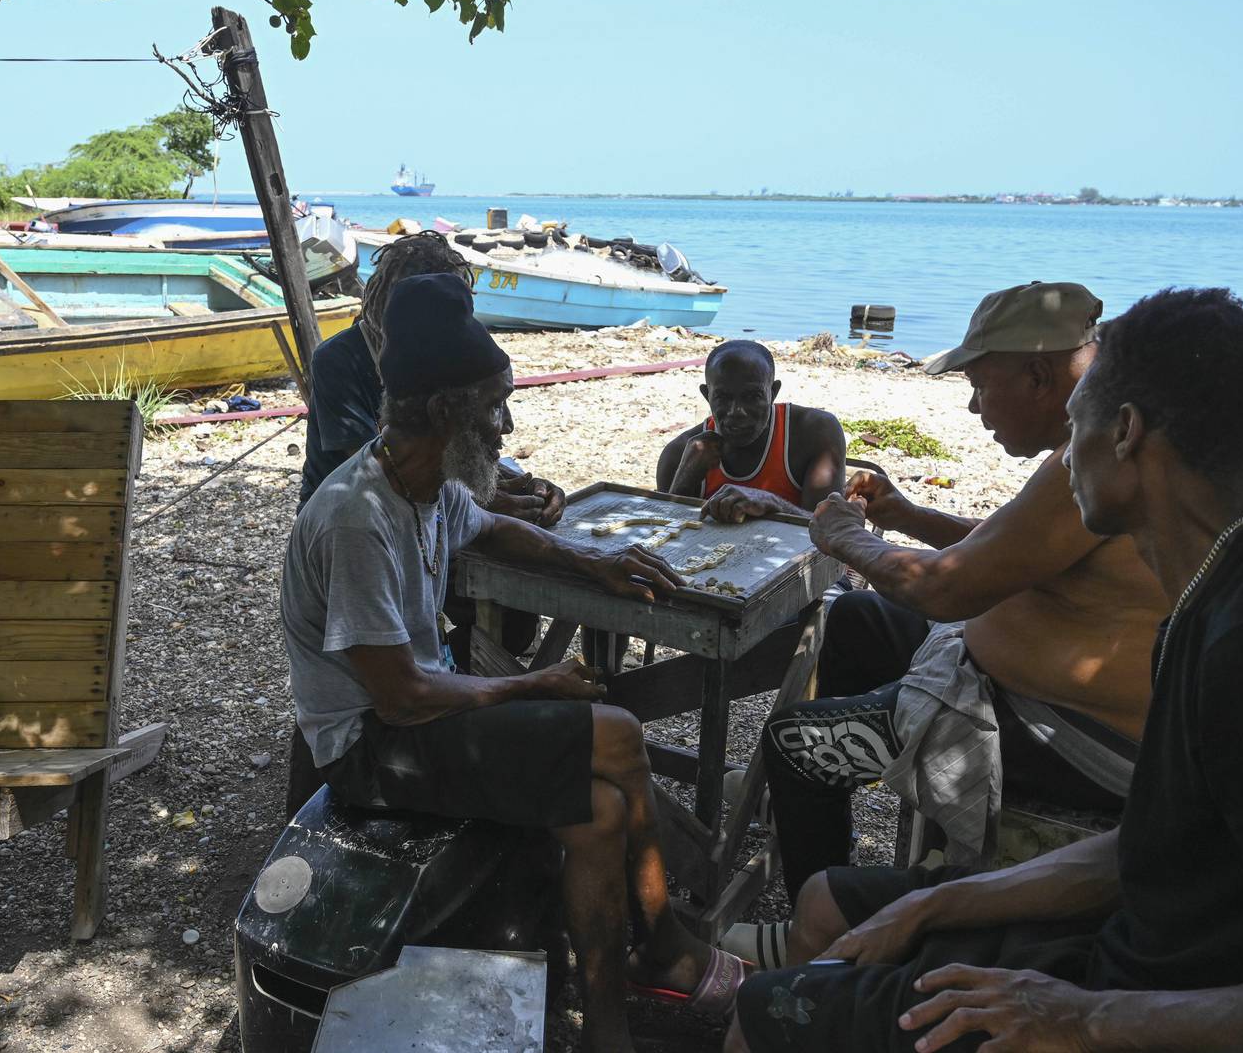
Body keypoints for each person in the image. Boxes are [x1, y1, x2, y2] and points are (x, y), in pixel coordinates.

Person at [725, 285, 1243, 1053]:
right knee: (824, 916)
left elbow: (949, 584)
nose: (1069, 444)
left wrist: (1083, 1018)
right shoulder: (1214, 587)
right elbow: (1150, 849)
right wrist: (935, 907)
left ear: (1122, 432)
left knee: (763, 1018)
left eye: (1079, 415)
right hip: (1120, 943)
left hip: (1140, 1003)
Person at [282, 274, 746, 1052]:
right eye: (494, 406)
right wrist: (540, 684)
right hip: (372, 747)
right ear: (443, 413)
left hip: (415, 716)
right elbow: (399, 697)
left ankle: (606, 1026)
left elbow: (496, 531)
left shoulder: (421, 480)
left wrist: (589, 562)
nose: (506, 424)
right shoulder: (355, 519)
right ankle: (665, 943)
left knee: (599, 811)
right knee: (619, 734)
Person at [722, 283, 1171, 924]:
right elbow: (1008, 550)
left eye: (982, 386)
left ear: (1040, 376)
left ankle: (817, 933)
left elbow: (945, 588)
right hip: (1018, 675)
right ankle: (824, 809)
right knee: (853, 620)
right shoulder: (1092, 436)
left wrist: (846, 537)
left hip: (1075, 734)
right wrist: (906, 514)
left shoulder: (1101, 451)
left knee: (791, 742)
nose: (971, 407)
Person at [286, 231, 562, 815]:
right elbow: (378, 454)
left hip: (413, 505)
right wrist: (534, 685)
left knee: (460, 627)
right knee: (361, 657)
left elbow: (455, 455)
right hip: (367, 533)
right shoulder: (347, 365)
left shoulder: (441, 374)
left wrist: (507, 484)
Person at [297, 229, 566, 527]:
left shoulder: (437, 353)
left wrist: (527, 485)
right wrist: (489, 501)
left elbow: (461, 440)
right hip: (348, 518)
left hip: (422, 506)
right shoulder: (338, 359)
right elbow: (385, 469)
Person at [656, 339, 846, 516]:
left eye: (752, 397)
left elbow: (832, 530)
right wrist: (683, 483)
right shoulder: (678, 454)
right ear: (707, 395)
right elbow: (662, 537)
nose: (736, 411)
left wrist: (773, 503)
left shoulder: (813, 432)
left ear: (773, 393)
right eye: (723, 397)